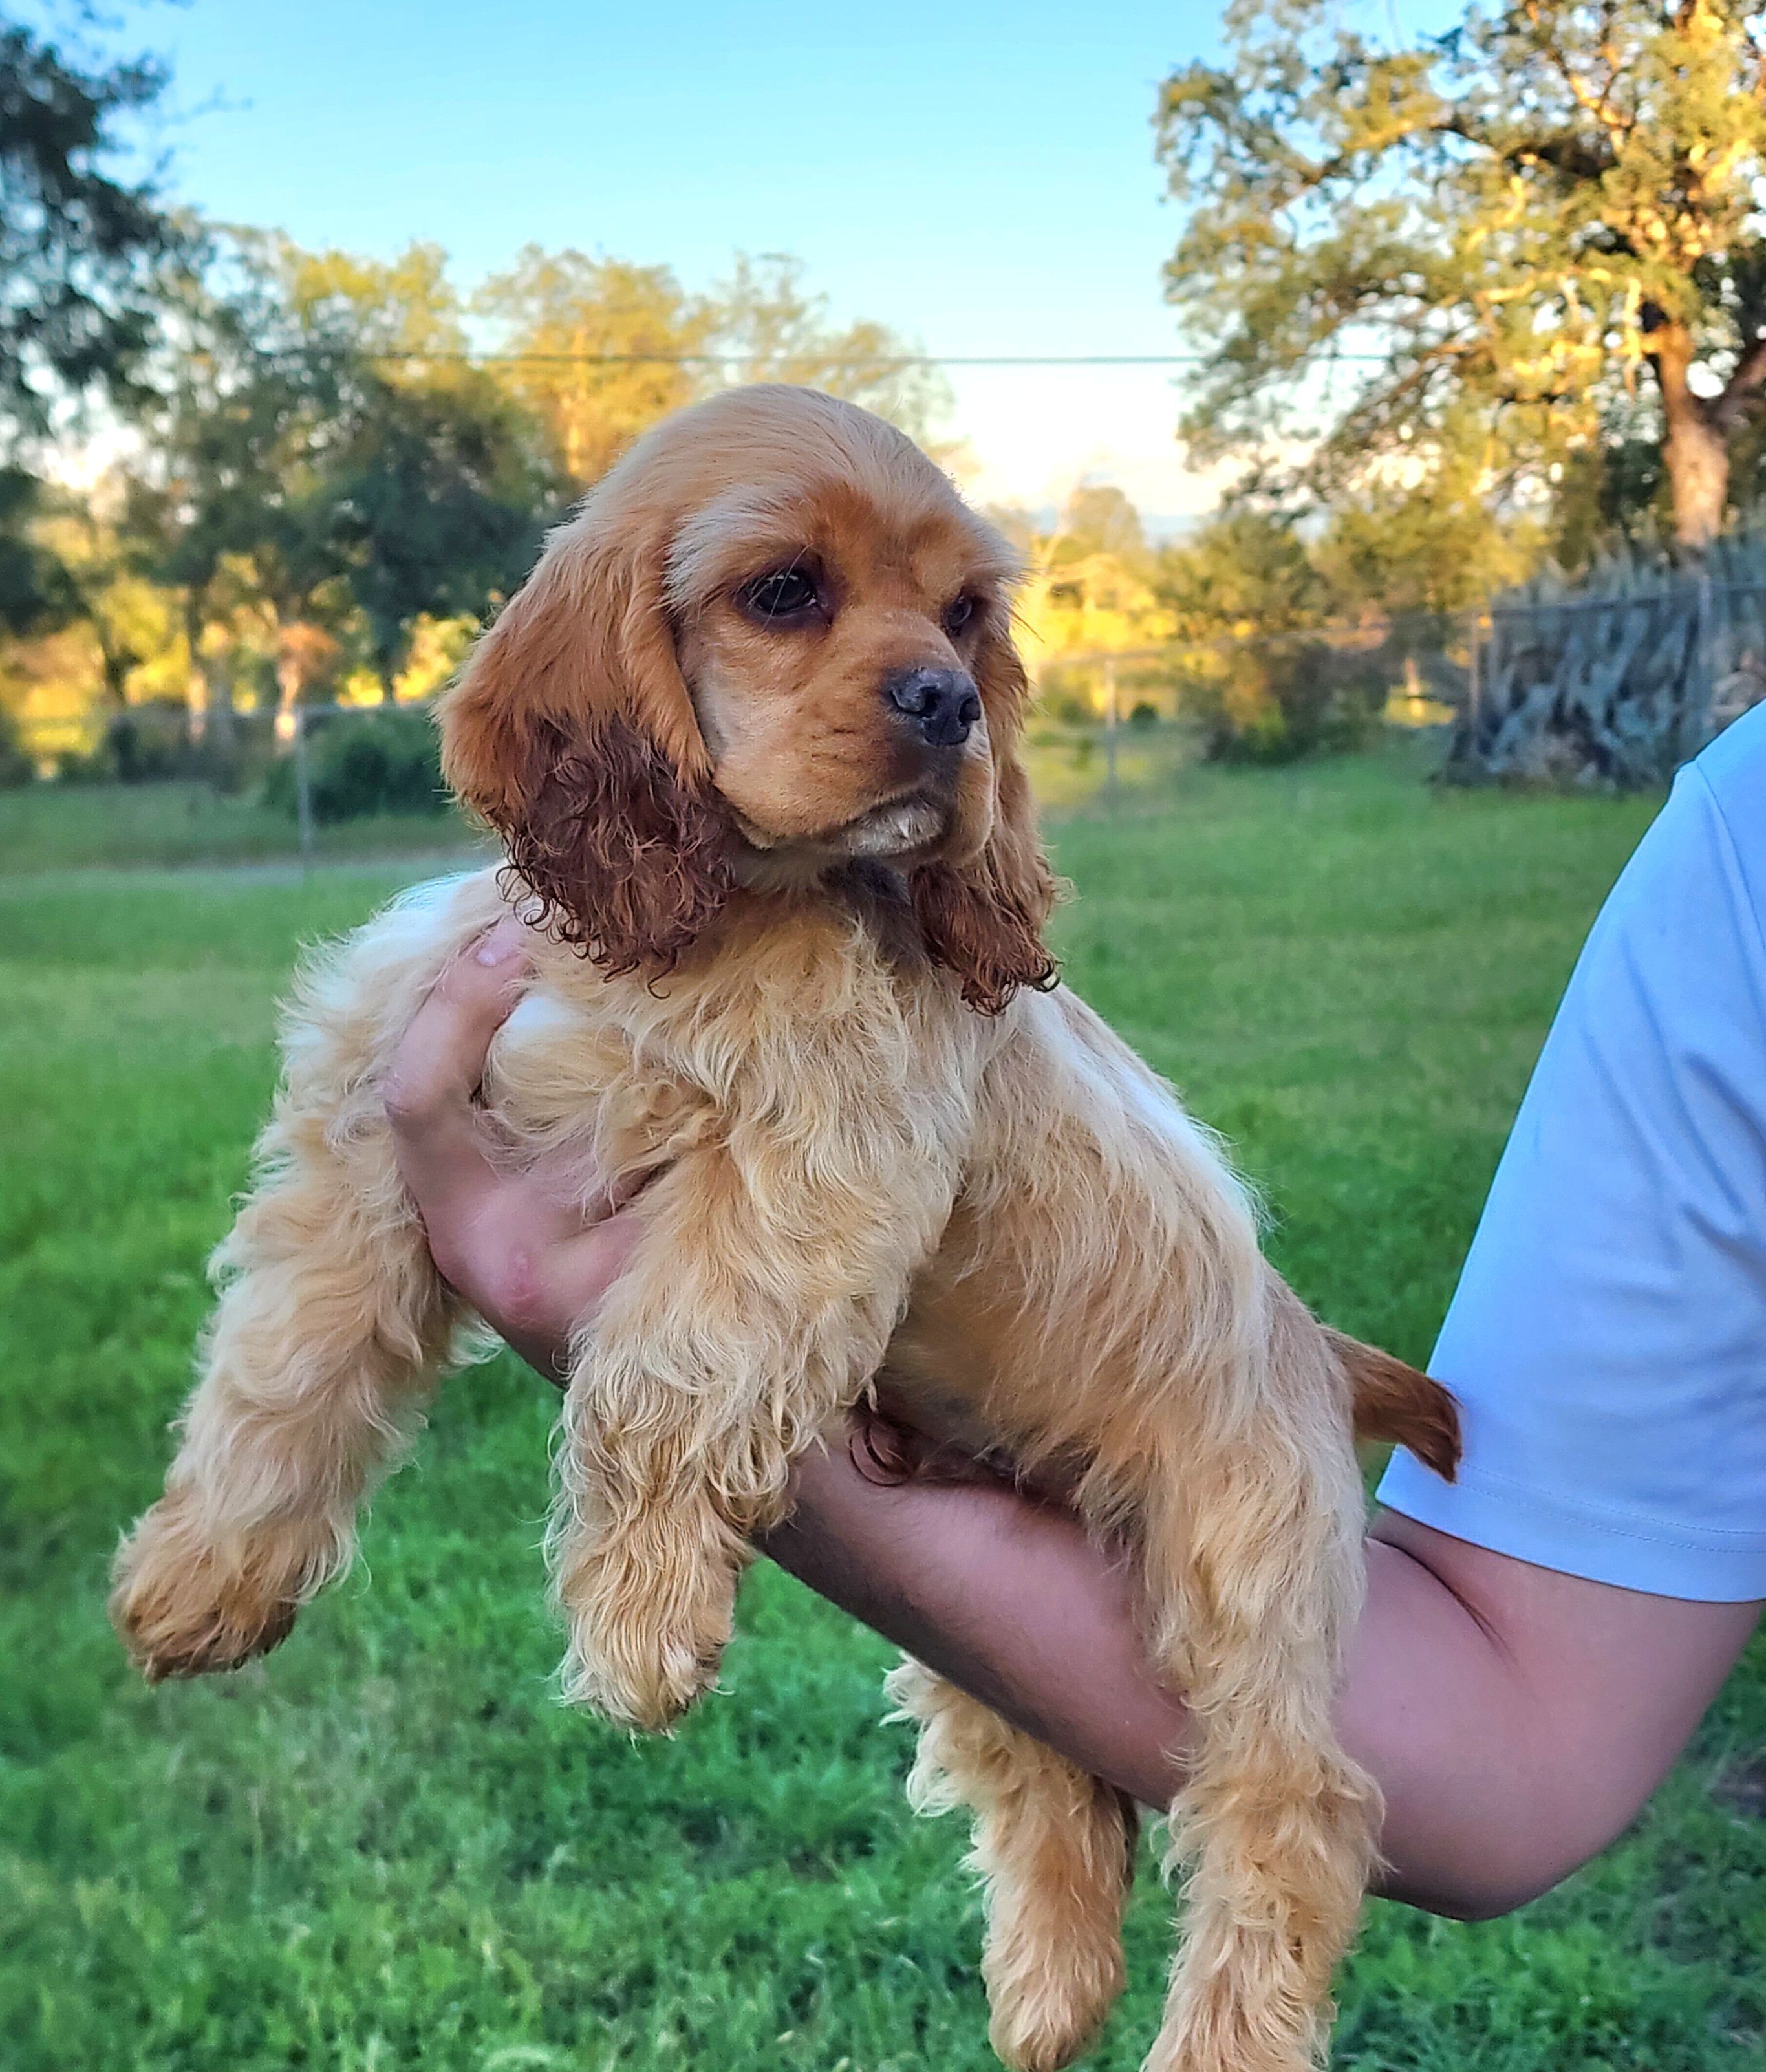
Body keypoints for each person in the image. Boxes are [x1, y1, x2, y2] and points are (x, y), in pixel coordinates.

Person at [381, 705, 1766, 1928]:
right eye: (791, 596)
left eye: (964, 630)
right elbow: (1521, 1723)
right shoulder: (1738, 856)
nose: (928, 680)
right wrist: (667, 1356)